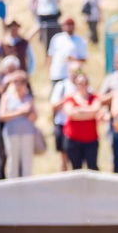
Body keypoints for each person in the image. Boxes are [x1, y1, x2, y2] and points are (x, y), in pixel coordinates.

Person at [46, 17, 89, 152]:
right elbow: (50, 56)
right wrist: (49, 71)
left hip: (73, 76)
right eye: (66, 24)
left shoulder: (79, 40)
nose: (69, 27)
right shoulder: (57, 39)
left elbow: (84, 58)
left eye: (71, 24)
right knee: (58, 103)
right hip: (57, 75)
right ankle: (58, 130)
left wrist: (73, 60)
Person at [0, 72, 41, 179]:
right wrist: (20, 111)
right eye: (15, 82)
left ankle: (27, 188)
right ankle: (12, 187)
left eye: (21, 82)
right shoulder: (7, 97)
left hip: (27, 133)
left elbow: (34, 118)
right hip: (11, 133)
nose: (18, 85)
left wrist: (28, 112)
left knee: (27, 162)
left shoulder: (29, 98)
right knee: (13, 162)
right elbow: (2, 115)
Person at [59, 71, 103, 170]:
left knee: (92, 167)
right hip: (73, 139)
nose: (82, 85)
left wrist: (79, 110)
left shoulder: (94, 97)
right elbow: (70, 113)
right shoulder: (70, 97)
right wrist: (88, 110)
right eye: (79, 83)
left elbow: (95, 111)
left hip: (90, 139)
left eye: (84, 83)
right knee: (76, 168)